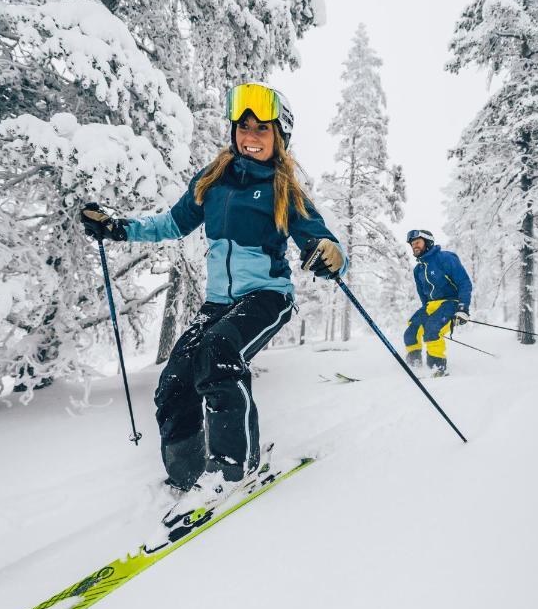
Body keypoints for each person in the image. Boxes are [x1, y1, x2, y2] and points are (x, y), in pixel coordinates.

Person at [81, 82, 347, 510]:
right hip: (219, 302)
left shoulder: (284, 189)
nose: (251, 136)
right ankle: (187, 475)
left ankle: (233, 470)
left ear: (279, 138)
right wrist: (118, 227)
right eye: (244, 127)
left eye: (263, 129)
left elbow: (320, 238)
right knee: (176, 378)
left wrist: (331, 254)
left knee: (220, 351)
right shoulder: (212, 182)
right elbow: (171, 223)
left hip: (266, 297)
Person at [403, 229, 472, 376]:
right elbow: (423, 295)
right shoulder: (418, 269)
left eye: (417, 242)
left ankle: (437, 368)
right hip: (431, 306)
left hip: (450, 302)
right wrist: (425, 313)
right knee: (411, 332)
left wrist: (463, 308)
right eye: (412, 244)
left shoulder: (445, 258)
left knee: (432, 329)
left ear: (428, 242)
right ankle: (415, 367)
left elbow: (464, 282)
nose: (414, 246)